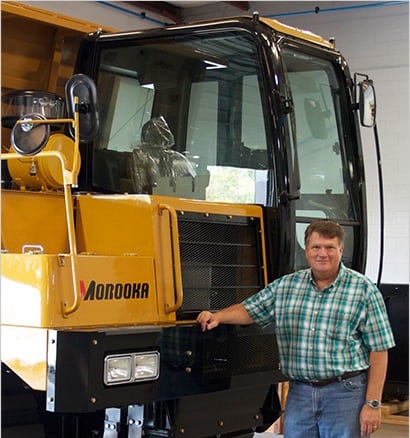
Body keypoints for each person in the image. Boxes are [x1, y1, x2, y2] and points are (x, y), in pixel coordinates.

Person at [197, 219, 395, 438]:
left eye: (330, 247)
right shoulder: (287, 286)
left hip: (345, 394)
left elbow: (379, 350)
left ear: (341, 250)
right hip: (300, 393)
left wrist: (373, 404)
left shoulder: (364, 290)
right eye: (316, 247)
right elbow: (250, 310)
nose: (323, 254)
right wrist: (218, 316)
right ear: (306, 250)